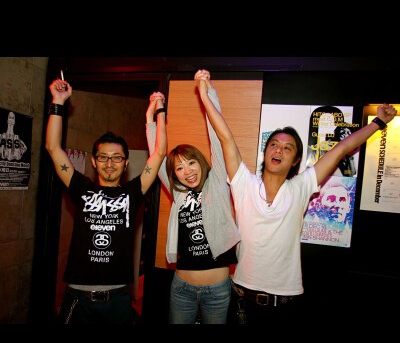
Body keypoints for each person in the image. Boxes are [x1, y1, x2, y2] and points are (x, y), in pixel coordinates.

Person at [195, 69, 397, 325]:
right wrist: (205, 95)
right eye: (274, 145)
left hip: (285, 303)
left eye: (287, 148)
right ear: (266, 152)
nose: (279, 150)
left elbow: (342, 149)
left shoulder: (301, 186)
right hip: (242, 301)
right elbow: (225, 137)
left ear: (295, 160)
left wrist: (378, 122)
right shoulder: (244, 183)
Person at [46, 77, 167, 324]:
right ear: (93, 161)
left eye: (117, 158)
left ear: (125, 163)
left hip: (118, 299)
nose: (109, 163)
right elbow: (53, 148)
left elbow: (159, 153)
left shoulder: (133, 192)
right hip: (78, 297)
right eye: (103, 157)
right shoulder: (81, 188)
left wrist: (158, 112)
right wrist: (58, 102)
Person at [146, 75, 240, 324]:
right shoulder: (179, 194)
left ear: (201, 162)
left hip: (217, 290)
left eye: (191, 163)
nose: (187, 171)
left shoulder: (217, 183)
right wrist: (151, 119)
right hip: (182, 288)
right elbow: (157, 155)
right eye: (179, 168)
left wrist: (207, 93)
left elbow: (218, 138)